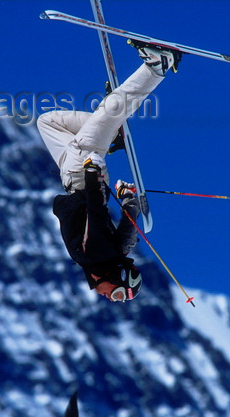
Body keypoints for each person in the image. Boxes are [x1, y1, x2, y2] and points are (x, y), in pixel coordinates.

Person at [37, 44, 180, 302]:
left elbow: (126, 231)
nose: (108, 296)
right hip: (82, 172)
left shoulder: (107, 255)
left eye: (115, 298)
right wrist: (93, 176)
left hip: (74, 173)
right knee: (112, 111)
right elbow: (96, 211)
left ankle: (111, 133)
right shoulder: (96, 256)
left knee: (47, 122)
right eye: (116, 294)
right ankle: (157, 67)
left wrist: (128, 200)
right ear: (116, 279)